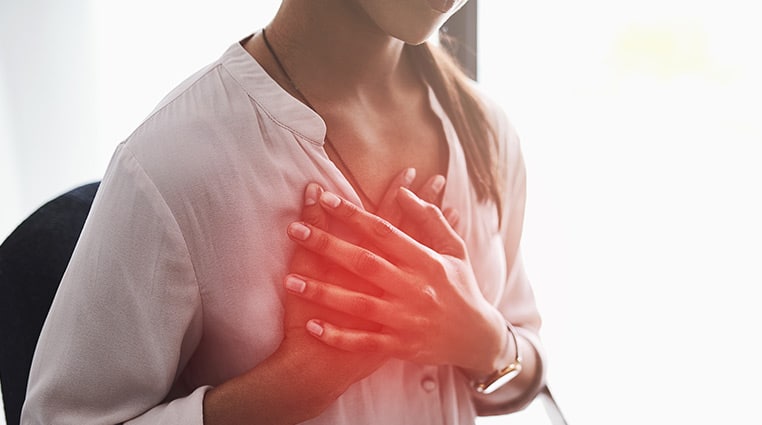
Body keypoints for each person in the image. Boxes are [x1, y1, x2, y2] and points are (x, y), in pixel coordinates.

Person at [21, 0, 546, 423]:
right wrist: (283, 393)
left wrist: (485, 339)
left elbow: (527, 364)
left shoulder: (487, 132)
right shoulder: (170, 165)